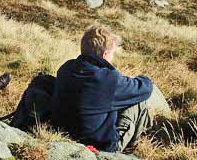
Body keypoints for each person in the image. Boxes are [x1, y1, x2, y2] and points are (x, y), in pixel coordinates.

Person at [51, 23, 153, 153]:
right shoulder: (108, 79)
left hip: (63, 136)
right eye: (112, 54)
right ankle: (127, 152)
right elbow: (146, 88)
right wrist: (131, 79)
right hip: (99, 146)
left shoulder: (66, 68)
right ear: (105, 55)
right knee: (139, 102)